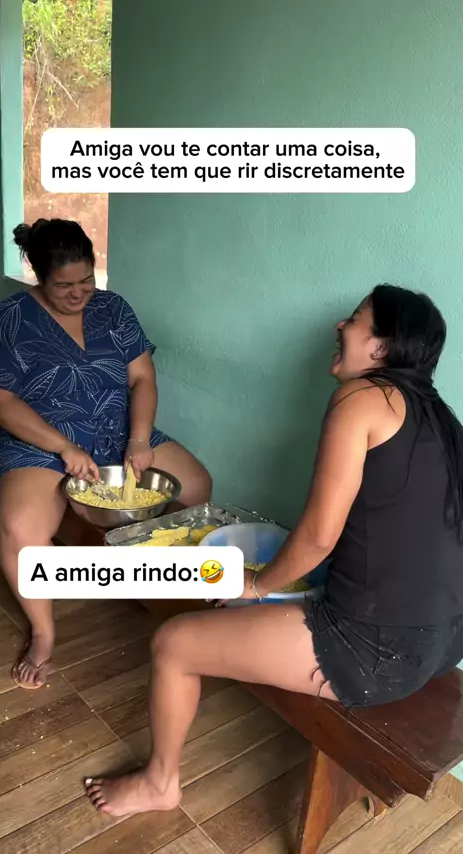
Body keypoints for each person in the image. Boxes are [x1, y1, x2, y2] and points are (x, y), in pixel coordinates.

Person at [85, 283, 463, 818]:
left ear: (381, 347)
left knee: (173, 643)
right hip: (447, 641)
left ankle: (159, 782)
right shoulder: (445, 421)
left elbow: (318, 536)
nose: (340, 326)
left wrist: (256, 585)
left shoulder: (362, 399)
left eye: (355, 319)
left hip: (378, 652)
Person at [0, 218, 212, 689]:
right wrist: (63, 446)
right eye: (63, 285)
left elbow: (142, 378)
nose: (78, 293)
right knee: (19, 528)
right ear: (39, 276)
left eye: (86, 280)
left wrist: (140, 439)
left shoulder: (114, 309)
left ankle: (142, 576)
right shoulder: (10, 318)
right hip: (40, 440)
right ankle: (43, 633)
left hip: (116, 430)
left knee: (196, 486)